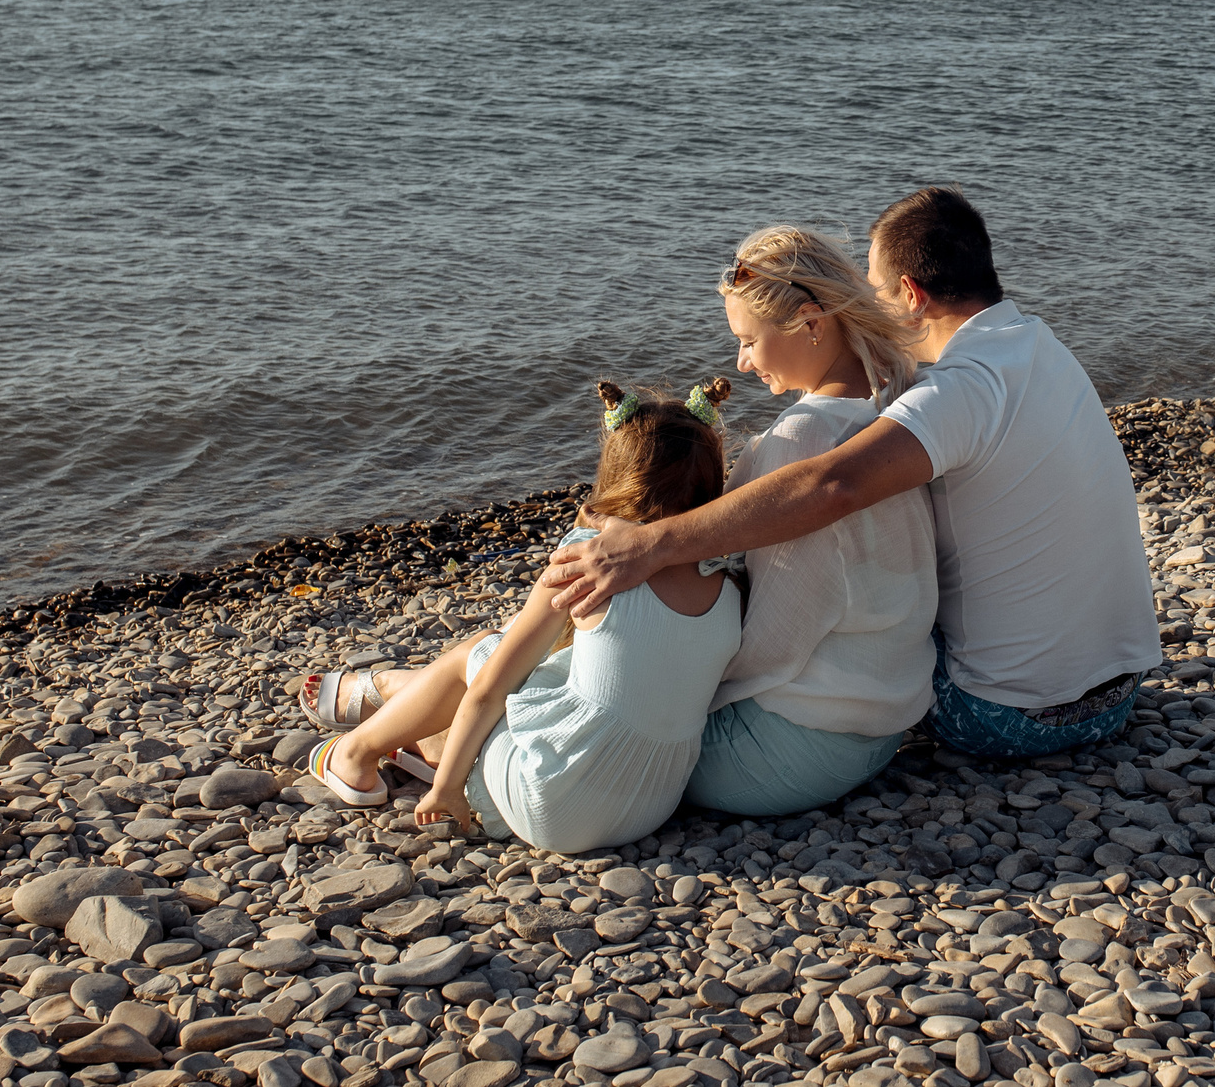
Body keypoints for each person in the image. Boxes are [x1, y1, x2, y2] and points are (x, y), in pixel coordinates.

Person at [544, 188, 1161, 761]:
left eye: (877, 290)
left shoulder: (963, 388)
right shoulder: (1036, 343)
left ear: (913, 295)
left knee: (854, 626)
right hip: (1117, 689)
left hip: (1009, 714)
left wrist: (652, 545)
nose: (868, 304)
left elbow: (831, 485)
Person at [293, 380, 741, 854]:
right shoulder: (728, 579)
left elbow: (487, 691)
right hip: (649, 808)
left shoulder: (589, 559)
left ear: (616, 473)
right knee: (551, 669)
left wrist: (445, 791)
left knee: (481, 652)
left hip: (550, 807)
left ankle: (355, 755)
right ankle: (408, 719)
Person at [688, 226, 938, 814]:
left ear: (810, 322)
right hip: (877, 730)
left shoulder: (800, 441)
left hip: (787, 750)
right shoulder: (893, 410)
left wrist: (680, 691)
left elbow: (776, 637)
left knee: (562, 725)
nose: (742, 363)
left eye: (748, 340)